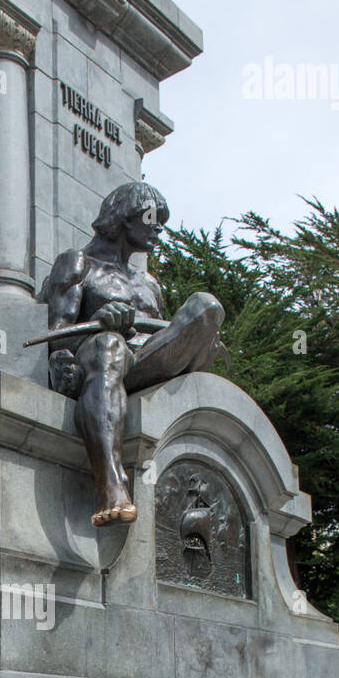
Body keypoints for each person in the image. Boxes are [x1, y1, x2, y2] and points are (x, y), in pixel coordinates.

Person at [43, 180, 226, 526]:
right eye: (153, 218)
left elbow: (163, 333)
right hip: (101, 356)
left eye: (163, 222)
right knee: (108, 345)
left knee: (205, 306)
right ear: (125, 216)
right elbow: (57, 337)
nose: (159, 228)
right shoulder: (78, 264)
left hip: (146, 360)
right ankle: (110, 485)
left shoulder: (150, 283)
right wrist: (101, 321)